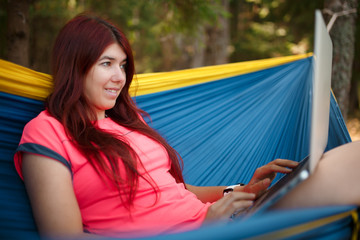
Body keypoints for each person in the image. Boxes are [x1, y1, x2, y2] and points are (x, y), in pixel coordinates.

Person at [13, 13, 360, 239]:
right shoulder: (48, 133)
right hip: (209, 233)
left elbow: (171, 190)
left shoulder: (127, 123)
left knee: (339, 161)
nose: (119, 78)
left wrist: (239, 189)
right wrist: (202, 230)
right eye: (106, 64)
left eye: (122, 65)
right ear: (75, 65)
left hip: (230, 221)